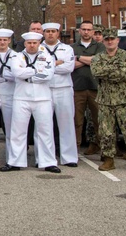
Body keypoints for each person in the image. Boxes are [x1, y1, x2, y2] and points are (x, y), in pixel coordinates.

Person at [2, 31, 60, 173]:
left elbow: (48, 75)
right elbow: (16, 72)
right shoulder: (17, 56)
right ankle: (15, 161)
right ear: (25, 43)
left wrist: (27, 74)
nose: (32, 45)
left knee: (45, 131)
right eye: (29, 43)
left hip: (43, 98)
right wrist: (35, 72)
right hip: (22, 98)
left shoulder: (46, 56)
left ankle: (48, 162)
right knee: (18, 131)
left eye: (35, 43)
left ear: (39, 43)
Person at [92, 28, 126, 173]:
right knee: (106, 132)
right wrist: (114, 70)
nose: (110, 41)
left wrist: (107, 71)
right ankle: (109, 160)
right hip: (105, 100)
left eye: (112, 39)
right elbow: (96, 72)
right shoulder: (98, 57)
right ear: (103, 41)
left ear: (117, 40)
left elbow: (124, 73)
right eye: (107, 39)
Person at [42, 23, 79, 167]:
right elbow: (38, 68)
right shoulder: (39, 49)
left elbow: (69, 67)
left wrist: (48, 66)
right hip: (44, 89)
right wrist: (57, 63)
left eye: (53, 31)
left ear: (58, 33)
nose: (50, 34)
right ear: (44, 33)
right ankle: (44, 158)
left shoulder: (67, 48)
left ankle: (69, 157)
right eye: (48, 31)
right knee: (44, 125)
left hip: (64, 89)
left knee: (67, 123)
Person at [71, 21, 103, 155]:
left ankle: (103, 150)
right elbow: (70, 65)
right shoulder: (71, 47)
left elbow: (99, 61)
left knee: (99, 121)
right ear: (79, 31)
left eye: (89, 30)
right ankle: (74, 150)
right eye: (83, 29)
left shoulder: (100, 46)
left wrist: (78, 58)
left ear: (93, 31)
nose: (86, 32)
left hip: (95, 88)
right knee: (77, 121)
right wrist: (89, 61)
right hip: (77, 88)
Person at [0, 29, 16, 143]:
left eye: (5, 40)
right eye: (0, 40)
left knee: (11, 126)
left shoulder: (16, 56)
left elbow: (17, 75)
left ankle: (12, 158)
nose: (2, 42)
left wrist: (1, 77)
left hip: (9, 92)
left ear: (9, 40)